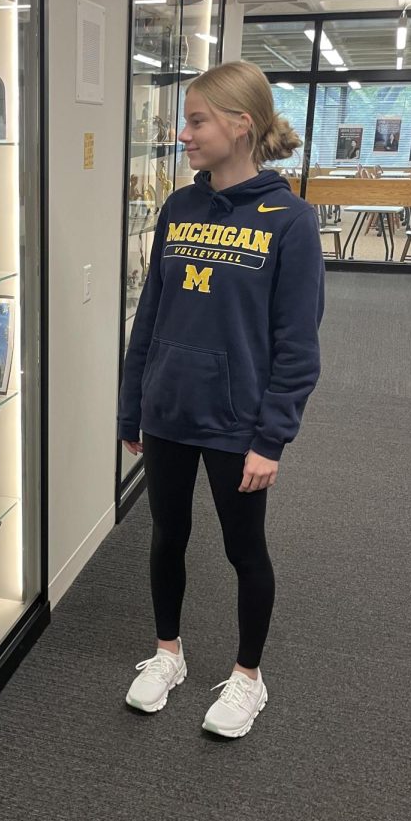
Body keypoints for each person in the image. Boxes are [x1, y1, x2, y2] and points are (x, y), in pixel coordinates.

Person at [117, 60, 325, 739]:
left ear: (241, 125)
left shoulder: (290, 221)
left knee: (244, 552)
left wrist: (273, 438)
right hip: (170, 409)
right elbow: (150, 317)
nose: (184, 134)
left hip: (238, 423)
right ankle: (168, 656)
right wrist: (133, 407)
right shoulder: (179, 208)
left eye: (197, 121)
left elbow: (297, 345)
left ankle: (247, 679)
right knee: (166, 537)